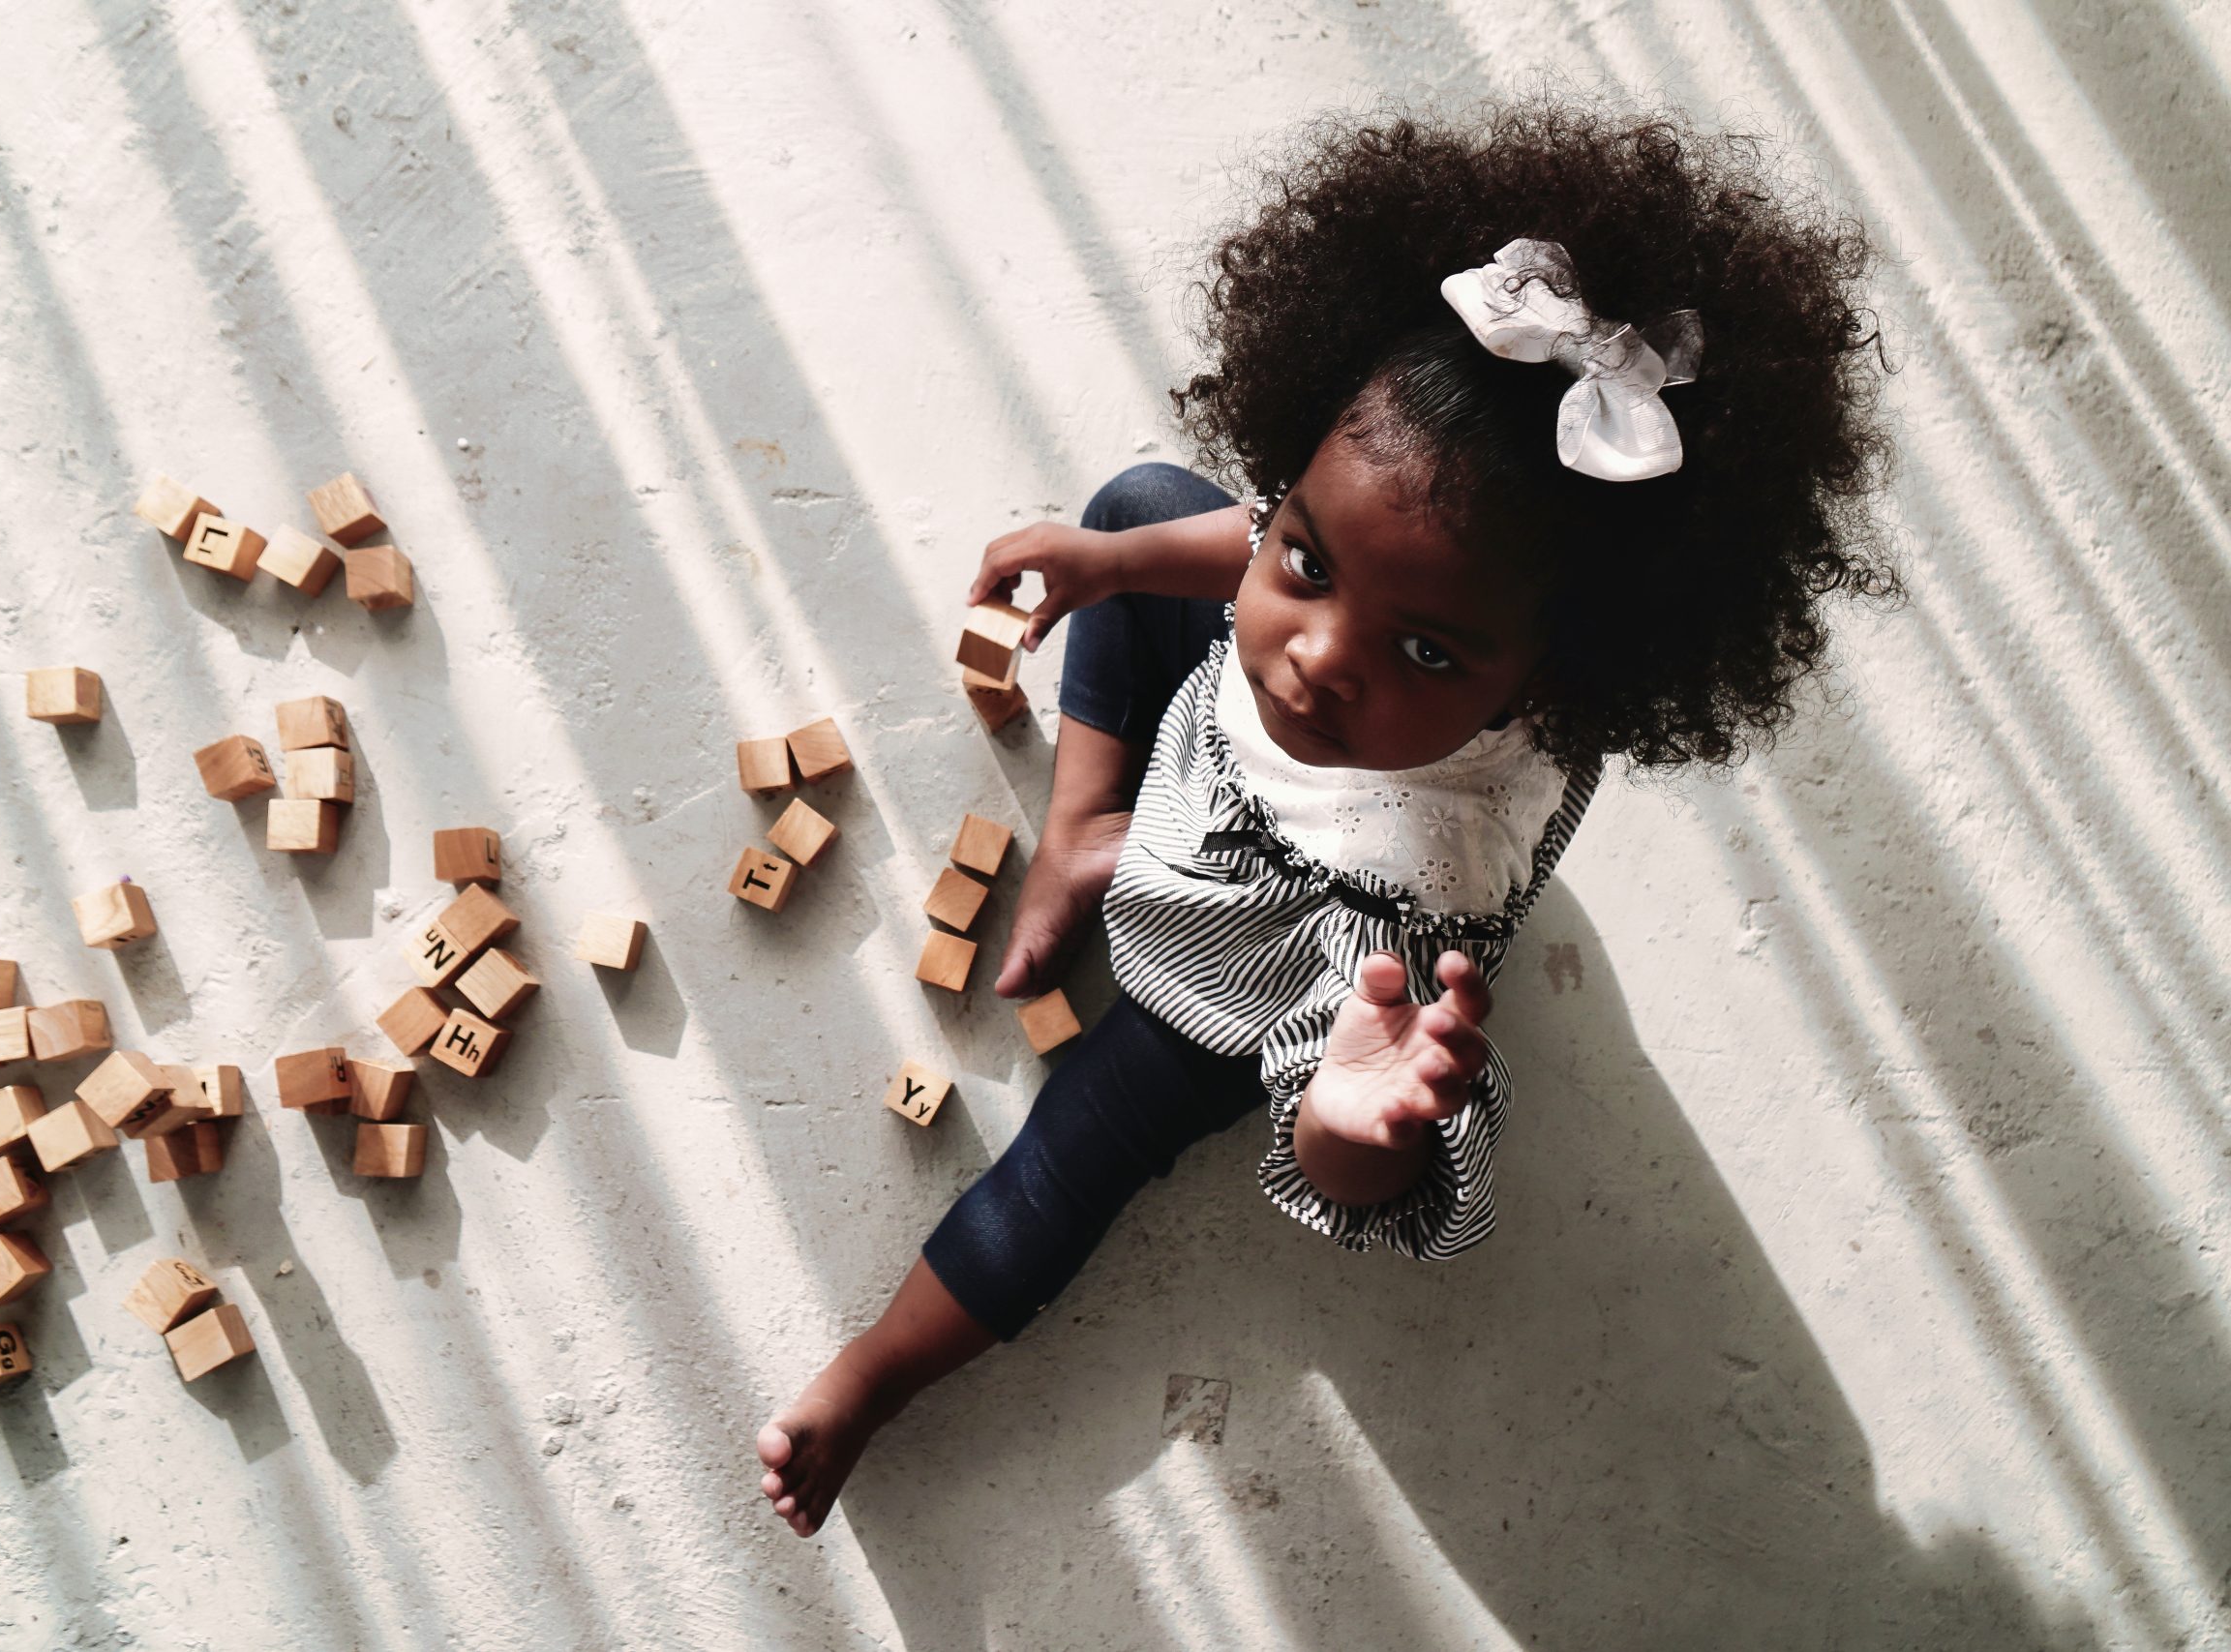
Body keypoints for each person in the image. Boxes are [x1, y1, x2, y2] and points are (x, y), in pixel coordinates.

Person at [757, 95, 1898, 1537]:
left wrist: (1357, 1122)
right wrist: (1112, 565)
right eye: (1310, 556)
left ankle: (872, 1376)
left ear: (1549, 677)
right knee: (1148, 504)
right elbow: (1245, 544)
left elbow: (1359, 1153)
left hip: (1248, 972)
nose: (1315, 654)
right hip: (1210, 774)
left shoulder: (1416, 889)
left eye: (1424, 651)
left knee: (1069, 1163)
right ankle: (1081, 828)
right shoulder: (1332, 595)